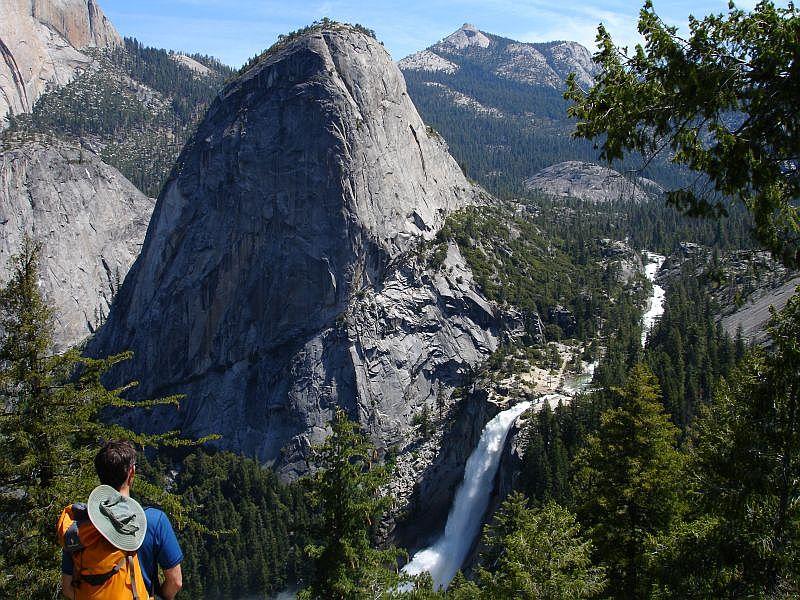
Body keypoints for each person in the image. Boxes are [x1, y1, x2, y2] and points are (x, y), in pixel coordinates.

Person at [61, 441, 184, 600]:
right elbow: (175, 581)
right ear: (131, 473)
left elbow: (67, 587)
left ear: (100, 474)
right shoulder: (153, 520)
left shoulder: (79, 527)